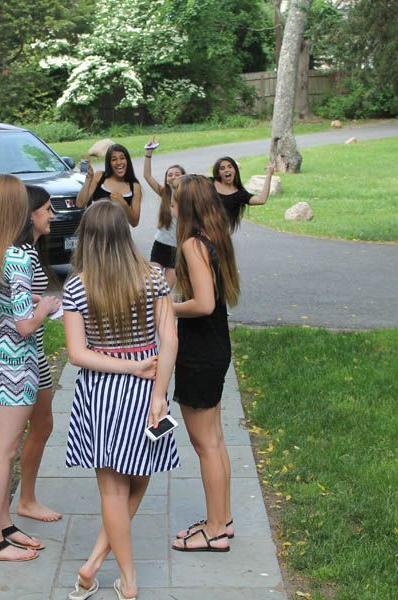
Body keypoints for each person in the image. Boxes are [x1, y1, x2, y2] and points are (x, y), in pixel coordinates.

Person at [63, 201, 178, 600]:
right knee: (140, 475)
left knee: (114, 489)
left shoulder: (77, 286)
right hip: (146, 387)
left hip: (101, 391)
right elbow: (170, 340)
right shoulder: (154, 278)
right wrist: (159, 393)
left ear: (87, 238)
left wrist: (126, 367)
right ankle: (117, 575)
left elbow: (77, 354)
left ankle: (106, 569)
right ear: (124, 233)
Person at [0, 174, 62, 562]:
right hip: (16, 361)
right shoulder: (18, 257)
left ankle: (3, 526)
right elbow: (24, 326)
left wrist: (30, 302)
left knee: (5, 445)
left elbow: (7, 305)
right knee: (3, 451)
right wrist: (45, 306)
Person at [169, 175, 241, 553]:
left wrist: (166, 307)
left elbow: (204, 303)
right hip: (214, 346)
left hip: (200, 352)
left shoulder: (192, 244)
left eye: (175, 201)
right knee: (214, 440)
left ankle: (214, 531)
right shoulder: (214, 238)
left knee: (205, 444)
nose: (171, 206)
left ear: (187, 206)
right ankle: (222, 519)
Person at [143, 137, 185, 287]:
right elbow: (147, 176)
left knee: (166, 288)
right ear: (167, 179)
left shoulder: (189, 199)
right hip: (160, 245)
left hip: (177, 249)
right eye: (170, 174)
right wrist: (148, 153)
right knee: (154, 285)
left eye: (177, 174)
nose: (173, 176)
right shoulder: (164, 194)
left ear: (184, 177)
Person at [76, 144, 143, 227]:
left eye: (122, 158)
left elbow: (134, 222)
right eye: (114, 159)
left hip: (119, 233)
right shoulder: (99, 177)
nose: (119, 162)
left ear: (127, 161)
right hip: (95, 231)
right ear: (109, 163)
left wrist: (123, 204)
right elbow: (80, 204)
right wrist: (89, 178)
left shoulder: (135, 186)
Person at [211, 156, 275, 232]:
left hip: (218, 233)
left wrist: (269, 174)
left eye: (230, 167)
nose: (226, 170)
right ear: (218, 173)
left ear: (235, 170)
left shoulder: (240, 194)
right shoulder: (209, 183)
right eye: (222, 168)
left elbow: (261, 199)